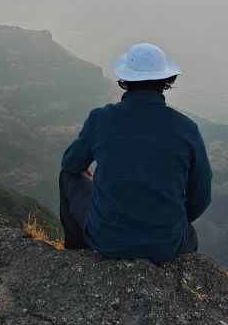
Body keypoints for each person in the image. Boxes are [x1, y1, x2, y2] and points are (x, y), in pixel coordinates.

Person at [59, 42, 213, 264]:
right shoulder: (187, 129)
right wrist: (171, 221)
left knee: (68, 176)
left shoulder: (101, 119)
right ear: (166, 80)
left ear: (125, 79)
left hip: (106, 240)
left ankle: (76, 252)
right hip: (165, 246)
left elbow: (70, 164)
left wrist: (89, 169)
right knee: (191, 237)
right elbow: (201, 197)